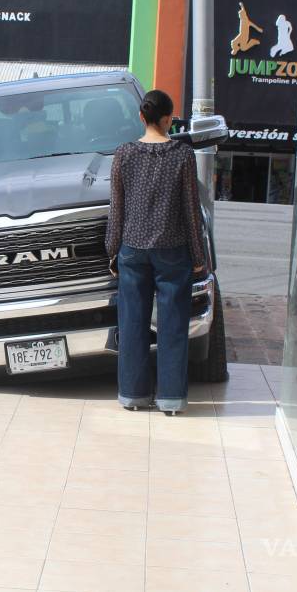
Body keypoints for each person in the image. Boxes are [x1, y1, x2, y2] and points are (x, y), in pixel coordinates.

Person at [105, 89, 209, 416]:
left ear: (141, 117)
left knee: (132, 324)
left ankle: (133, 395)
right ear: (169, 119)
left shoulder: (123, 153)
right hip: (173, 251)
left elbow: (116, 209)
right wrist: (198, 256)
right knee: (173, 325)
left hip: (132, 250)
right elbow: (191, 209)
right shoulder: (183, 155)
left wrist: (112, 250)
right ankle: (171, 400)